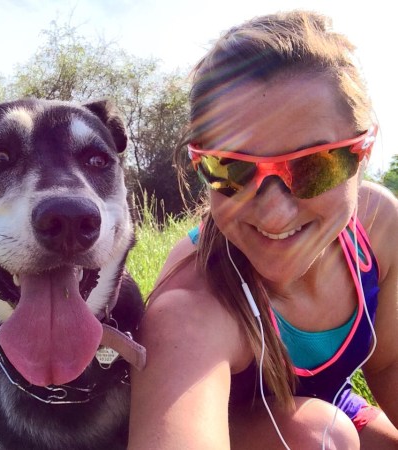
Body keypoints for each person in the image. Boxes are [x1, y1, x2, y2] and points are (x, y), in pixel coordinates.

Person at [128, 10, 398, 449]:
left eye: (315, 166)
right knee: (322, 438)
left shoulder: (378, 226)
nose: (274, 215)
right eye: (229, 168)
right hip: (251, 429)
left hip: (337, 408)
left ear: (363, 151)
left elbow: (388, 365)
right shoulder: (190, 303)